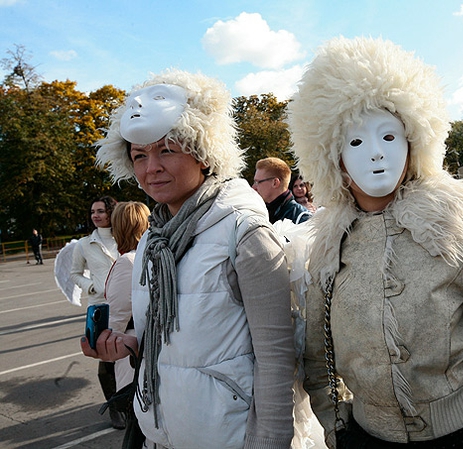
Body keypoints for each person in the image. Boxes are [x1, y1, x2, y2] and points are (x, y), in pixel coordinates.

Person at [288, 36, 463, 449]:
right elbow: (318, 363)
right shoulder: (326, 248)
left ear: (414, 143)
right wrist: (339, 430)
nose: (375, 154)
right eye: (355, 141)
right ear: (332, 157)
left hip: (462, 436)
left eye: (389, 137)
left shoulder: (456, 230)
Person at [88, 69, 296, 448]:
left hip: (230, 437)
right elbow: (168, 331)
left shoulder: (245, 232)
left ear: (203, 153)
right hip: (162, 432)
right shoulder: (154, 237)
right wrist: (132, 341)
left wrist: (269, 442)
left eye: (167, 149)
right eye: (139, 155)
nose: (151, 168)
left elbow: (278, 355)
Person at [70, 195, 121, 428]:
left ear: (111, 213)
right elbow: (75, 274)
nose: (95, 216)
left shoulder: (124, 236)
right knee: (105, 359)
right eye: (93, 212)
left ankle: (132, 402)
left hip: (125, 303)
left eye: (100, 211)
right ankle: (115, 408)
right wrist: (90, 285)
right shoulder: (84, 244)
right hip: (100, 307)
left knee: (128, 353)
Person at [105, 201, 151, 414]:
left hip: (131, 347)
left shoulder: (127, 262)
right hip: (149, 344)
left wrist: (105, 346)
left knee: (137, 413)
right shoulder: (151, 255)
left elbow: (118, 315)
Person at [253, 157, 311, 224]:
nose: (254, 187)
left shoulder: (302, 218)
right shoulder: (258, 213)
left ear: (275, 183)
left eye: (258, 182)